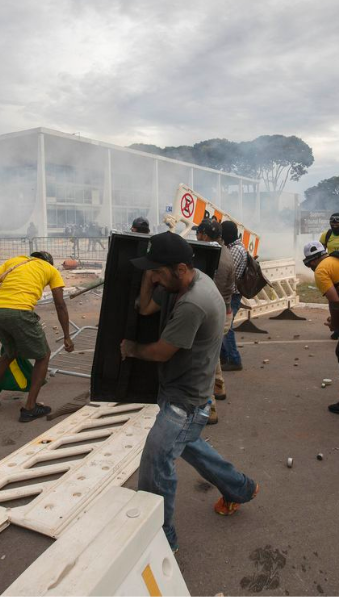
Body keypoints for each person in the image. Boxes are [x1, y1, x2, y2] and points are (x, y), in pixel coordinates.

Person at [120, 231, 258, 553]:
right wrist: (149, 274)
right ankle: (240, 488)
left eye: (158, 271)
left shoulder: (194, 302)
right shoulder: (175, 285)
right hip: (177, 391)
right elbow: (143, 308)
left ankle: (161, 541)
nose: (154, 276)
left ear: (181, 268)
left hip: (187, 403)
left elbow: (161, 352)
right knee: (192, 448)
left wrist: (131, 349)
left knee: (156, 460)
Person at [0, 251, 74, 422]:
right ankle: (30, 407)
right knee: (43, 356)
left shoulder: (16, 261)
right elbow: (60, 304)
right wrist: (67, 336)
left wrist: (1, 301)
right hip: (19, 312)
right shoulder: (50, 270)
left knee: (9, 353)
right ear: (48, 262)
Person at [195, 219, 235, 424]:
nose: (196, 237)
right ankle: (219, 387)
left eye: (198, 233)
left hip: (214, 314)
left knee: (204, 360)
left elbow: (209, 292)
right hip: (225, 312)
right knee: (212, 353)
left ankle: (209, 409)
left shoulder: (213, 256)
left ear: (204, 234)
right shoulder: (224, 251)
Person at [303, 240, 339, 414]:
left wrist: (334, 323)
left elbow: (335, 300)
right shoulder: (334, 260)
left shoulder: (321, 270)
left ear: (311, 260)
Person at [220, 221, 247, 372]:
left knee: (227, 327)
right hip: (232, 294)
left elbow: (230, 274)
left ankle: (234, 360)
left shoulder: (235, 250)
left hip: (232, 294)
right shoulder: (234, 247)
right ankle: (224, 356)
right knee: (223, 327)